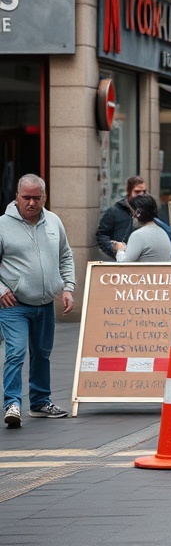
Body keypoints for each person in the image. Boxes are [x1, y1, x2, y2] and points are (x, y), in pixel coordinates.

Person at [1, 175, 75, 426]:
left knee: (42, 354)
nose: (31, 203)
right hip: (13, 304)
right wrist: (1, 289)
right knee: (16, 352)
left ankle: (40, 402)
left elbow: (65, 255)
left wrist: (68, 288)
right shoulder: (2, 225)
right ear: (17, 197)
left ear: (44, 197)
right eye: (26, 197)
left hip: (45, 303)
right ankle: (12, 404)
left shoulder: (53, 221)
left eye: (37, 197)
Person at [96, 176, 171, 259]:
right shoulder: (115, 211)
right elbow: (102, 234)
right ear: (129, 191)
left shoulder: (153, 228)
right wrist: (113, 248)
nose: (141, 194)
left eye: (144, 191)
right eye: (137, 191)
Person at [111, 194, 171, 262]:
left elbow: (124, 264)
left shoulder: (138, 235)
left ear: (138, 213)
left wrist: (119, 249)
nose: (132, 217)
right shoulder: (163, 232)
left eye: (132, 212)